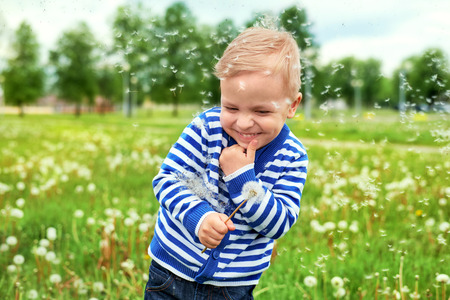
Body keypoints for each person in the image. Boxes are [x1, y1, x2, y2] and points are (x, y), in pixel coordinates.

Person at [144, 26, 308, 300]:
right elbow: (167, 180)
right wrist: (200, 217)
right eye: (231, 108)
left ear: (292, 106)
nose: (243, 122)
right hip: (169, 274)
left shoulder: (291, 156)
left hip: (231, 289)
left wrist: (242, 177)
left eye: (262, 111)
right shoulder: (206, 128)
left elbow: (279, 223)